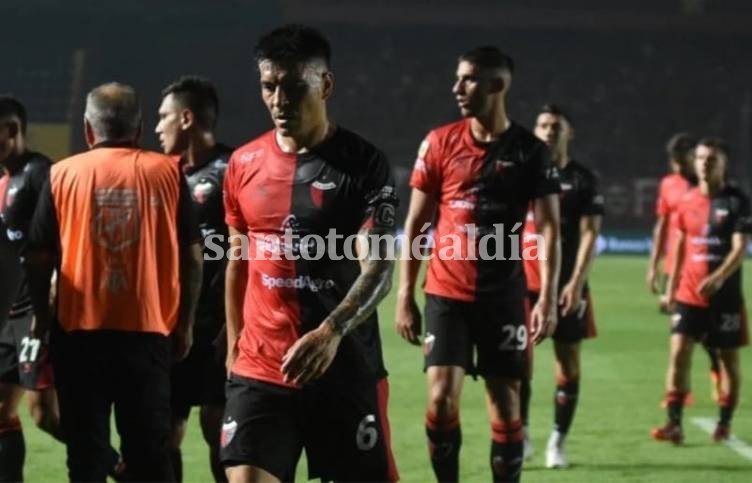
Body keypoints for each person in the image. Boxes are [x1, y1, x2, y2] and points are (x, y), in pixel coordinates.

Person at [220, 25, 399, 483]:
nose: (280, 100)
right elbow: (237, 261)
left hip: (344, 367)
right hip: (261, 369)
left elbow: (379, 268)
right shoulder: (242, 164)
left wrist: (332, 329)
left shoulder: (363, 164)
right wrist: (235, 344)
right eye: (268, 86)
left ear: (325, 85)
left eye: (294, 86)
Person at [395, 46, 561, 483]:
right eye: (458, 78)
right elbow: (415, 223)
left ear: (497, 85)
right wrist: (404, 295)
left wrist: (546, 298)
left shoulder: (530, 152)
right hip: (446, 294)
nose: (457, 88)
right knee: (440, 401)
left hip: (504, 296)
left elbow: (549, 230)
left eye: (468, 79)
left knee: (506, 405)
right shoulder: (439, 141)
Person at [26, 82, 203, 481]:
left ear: (89, 130)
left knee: (86, 456)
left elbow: (38, 258)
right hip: (147, 334)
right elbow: (193, 256)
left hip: (78, 335)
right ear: (139, 130)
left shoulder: (61, 174)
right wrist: (186, 322)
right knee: (148, 455)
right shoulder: (169, 174)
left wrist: (41, 316)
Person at [156, 75, 232, 483]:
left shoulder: (232, 170)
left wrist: (232, 327)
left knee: (219, 430)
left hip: (219, 329)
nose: (157, 127)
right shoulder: (162, 175)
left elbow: (253, 254)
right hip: (171, 327)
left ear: (186, 119)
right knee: (164, 435)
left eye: (163, 116)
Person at [520, 104, 604, 468]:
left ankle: (558, 440)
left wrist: (576, 283)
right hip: (521, 287)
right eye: (542, 125)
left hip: (567, 288)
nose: (549, 131)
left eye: (556, 126)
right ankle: (520, 435)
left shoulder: (583, 179)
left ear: (570, 133)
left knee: (568, 365)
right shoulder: (520, 173)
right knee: (516, 364)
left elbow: (589, 236)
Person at [652, 137, 751, 444]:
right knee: (679, 352)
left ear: (724, 164)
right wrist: (670, 287)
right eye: (701, 158)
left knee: (727, 360)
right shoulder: (687, 200)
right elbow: (679, 244)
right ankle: (674, 423)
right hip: (688, 294)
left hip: (725, 297)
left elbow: (740, 247)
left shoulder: (737, 201)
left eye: (712, 159)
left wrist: (720, 276)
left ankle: (724, 422)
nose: (705, 164)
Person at [0, 95, 61, 481]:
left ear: (11, 131)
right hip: (10, 313)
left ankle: (122, 468)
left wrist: (50, 298)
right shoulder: (2, 180)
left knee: (44, 416)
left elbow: (62, 238)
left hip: (36, 312)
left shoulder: (41, 174)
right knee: (2, 409)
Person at [647, 133, 724, 404]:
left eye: (683, 162)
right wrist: (653, 265)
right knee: (680, 336)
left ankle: (717, 369)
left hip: (700, 269)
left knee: (703, 335)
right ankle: (682, 392)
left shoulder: (707, 191)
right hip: (675, 269)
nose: (679, 168)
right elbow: (662, 226)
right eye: (675, 163)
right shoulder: (668, 185)